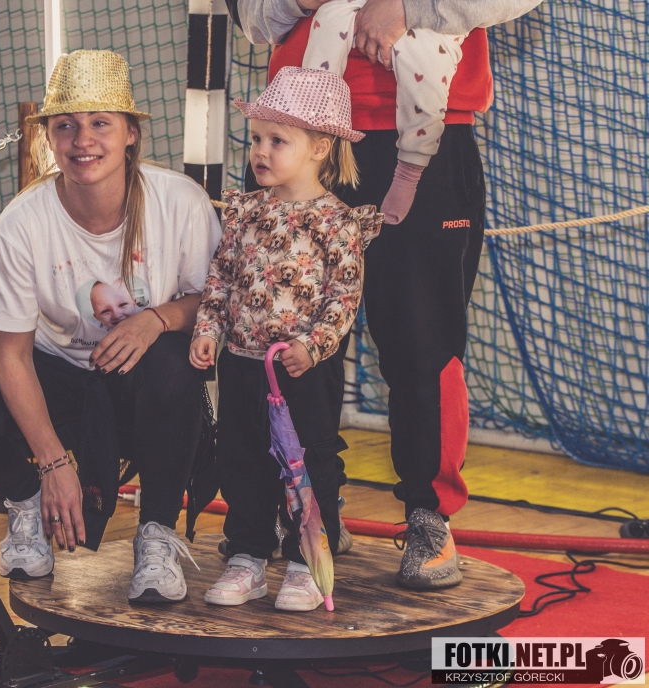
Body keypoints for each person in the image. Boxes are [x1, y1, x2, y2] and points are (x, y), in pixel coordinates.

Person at [229, 0, 542, 589]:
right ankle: (312, 502)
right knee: (287, 334)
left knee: (424, 338)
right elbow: (251, 18)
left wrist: (408, 6)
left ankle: (429, 514)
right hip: (299, 135)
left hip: (426, 132)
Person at [0, 50, 222, 604]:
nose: (83, 140)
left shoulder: (180, 201)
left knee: (174, 362)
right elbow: (11, 355)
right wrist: (51, 464)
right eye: (66, 126)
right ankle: (23, 500)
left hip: (137, 386)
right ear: (48, 138)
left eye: (100, 123)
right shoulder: (22, 223)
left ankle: (157, 533)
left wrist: (156, 319)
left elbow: (214, 301)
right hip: (55, 374)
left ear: (131, 133)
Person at [190, 68, 381, 611]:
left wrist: (313, 345)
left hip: (302, 369)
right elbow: (221, 278)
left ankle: (305, 562)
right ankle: (247, 556)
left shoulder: (336, 222)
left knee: (309, 461)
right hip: (242, 363)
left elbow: (344, 296)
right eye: (256, 139)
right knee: (242, 458)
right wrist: (208, 330)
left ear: (320, 148)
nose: (260, 151)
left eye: (277, 141)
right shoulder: (247, 212)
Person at [301, 0, 539, 224]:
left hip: (437, 118)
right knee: (329, 18)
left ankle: (410, 170)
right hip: (313, 142)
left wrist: (410, 7)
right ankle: (309, 127)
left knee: (423, 60)